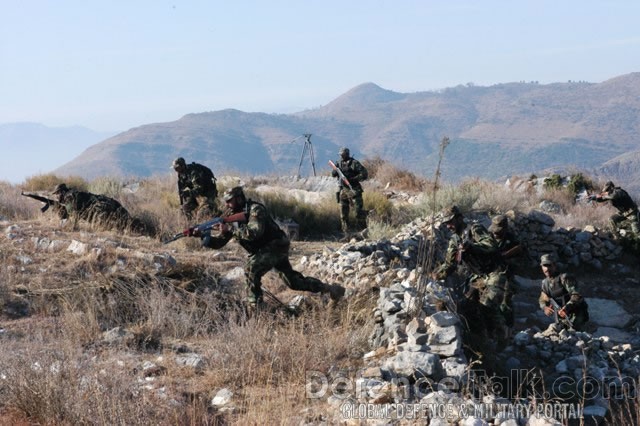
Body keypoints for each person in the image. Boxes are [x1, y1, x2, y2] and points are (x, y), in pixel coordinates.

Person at [199, 186, 345, 308]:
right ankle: (331, 289)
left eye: (230, 201)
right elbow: (219, 243)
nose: (227, 205)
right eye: (226, 202)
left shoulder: (255, 210)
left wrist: (229, 230)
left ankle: (256, 307)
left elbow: (254, 233)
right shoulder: (231, 216)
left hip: (276, 245)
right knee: (294, 282)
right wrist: (202, 236)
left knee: (251, 269)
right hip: (265, 249)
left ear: (238, 198)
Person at [434, 206, 513, 342]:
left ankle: (503, 339)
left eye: (451, 222)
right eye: (446, 224)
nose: (449, 226)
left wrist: (472, 246)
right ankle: (482, 338)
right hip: (478, 276)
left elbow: (490, 245)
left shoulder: (474, 229)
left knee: (487, 306)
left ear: (459, 218)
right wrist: (436, 276)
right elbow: (449, 264)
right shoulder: (454, 240)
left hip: (495, 273)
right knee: (468, 306)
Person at [52, 183, 145, 232]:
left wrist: (69, 225)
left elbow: (73, 215)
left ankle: (142, 228)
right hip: (108, 202)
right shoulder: (74, 193)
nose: (56, 196)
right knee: (127, 222)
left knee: (113, 226)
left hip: (101, 208)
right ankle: (145, 228)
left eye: (57, 194)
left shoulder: (69, 197)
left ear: (62, 192)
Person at [538, 254, 589, 331]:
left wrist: (567, 307)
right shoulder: (545, 283)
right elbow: (542, 299)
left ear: (554, 265)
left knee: (577, 336)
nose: (547, 269)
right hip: (561, 317)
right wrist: (545, 308)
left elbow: (577, 295)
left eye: (549, 265)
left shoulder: (564, 278)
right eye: (544, 266)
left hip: (576, 314)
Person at [331, 147, 368, 234]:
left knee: (357, 212)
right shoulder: (339, 163)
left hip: (354, 189)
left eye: (343, 155)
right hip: (343, 190)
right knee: (343, 214)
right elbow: (333, 174)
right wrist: (334, 171)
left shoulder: (354, 163)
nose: (341, 157)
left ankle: (363, 231)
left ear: (347, 154)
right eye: (340, 155)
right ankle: (346, 233)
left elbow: (364, 174)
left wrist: (353, 179)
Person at [172, 157, 218, 221]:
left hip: (208, 191)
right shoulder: (181, 174)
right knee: (185, 209)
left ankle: (218, 215)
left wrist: (188, 193)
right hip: (195, 192)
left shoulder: (194, 172)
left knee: (204, 211)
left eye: (177, 168)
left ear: (182, 166)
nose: (176, 170)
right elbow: (182, 189)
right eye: (175, 168)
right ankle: (190, 224)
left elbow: (199, 189)